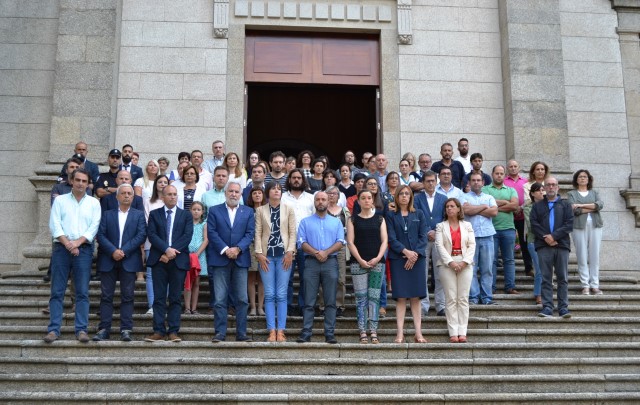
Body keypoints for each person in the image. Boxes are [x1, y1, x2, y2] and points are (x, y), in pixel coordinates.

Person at [44, 168, 101, 343]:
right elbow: (54, 224)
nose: (81, 184)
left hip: (83, 250)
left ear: (88, 183)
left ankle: (81, 329)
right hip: (61, 249)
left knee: (82, 292)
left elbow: (93, 227)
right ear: (71, 181)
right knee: (57, 291)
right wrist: (69, 244)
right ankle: (54, 329)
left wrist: (76, 243)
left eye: (84, 181)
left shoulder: (93, 203)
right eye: (78, 180)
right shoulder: (60, 201)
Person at [94, 183, 147, 342]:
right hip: (108, 259)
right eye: (123, 193)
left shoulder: (138, 215)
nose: (126, 196)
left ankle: (126, 329)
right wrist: (113, 251)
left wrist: (123, 250)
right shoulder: (107, 214)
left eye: (129, 193)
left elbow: (141, 235)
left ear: (133, 196)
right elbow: (100, 235)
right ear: (117, 196)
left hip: (129, 259)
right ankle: (104, 329)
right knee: (106, 296)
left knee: (128, 297)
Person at [145, 185, 194, 342]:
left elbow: (187, 236)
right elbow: (152, 235)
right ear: (163, 197)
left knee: (174, 298)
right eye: (169, 194)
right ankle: (159, 331)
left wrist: (171, 253)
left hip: (178, 261)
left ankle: (173, 331)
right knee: (159, 298)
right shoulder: (154, 214)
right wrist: (166, 249)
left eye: (175, 194)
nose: (173, 197)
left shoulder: (185, 215)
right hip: (159, 260)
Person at [208, 182, 255, 342]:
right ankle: (220, 333)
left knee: (242, 298)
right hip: (220, 258)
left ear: (240, 194)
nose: (233, 194)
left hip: (240, 259)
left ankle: (241, 333)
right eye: (231, 191)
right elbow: (212, 232)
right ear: (225, 193)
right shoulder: (214, 210)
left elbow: (250, 233)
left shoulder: (248, 212)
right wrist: (225, 249)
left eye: (236, 191)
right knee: (220, 299)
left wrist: (238, 249)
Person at [296, 191, 345, 344]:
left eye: (323, 199)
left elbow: (340, 241)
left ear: (328, 201)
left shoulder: (336, 222)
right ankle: (306, 332)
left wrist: (325, 252)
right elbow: (301, 243)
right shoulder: (305, 222)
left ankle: (329, 333)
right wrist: (317, 252)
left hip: (330, 262)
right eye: (318, 199)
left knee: (330, 300)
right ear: (314, 202)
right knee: (309, 300)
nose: (321, 202)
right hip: (311, 262)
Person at [255, 182, 296, 342]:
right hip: (266, 257)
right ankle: (272, 330)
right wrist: (258, 253)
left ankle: (281, 331)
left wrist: (290, 252)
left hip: (284, 256)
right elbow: (258, 233)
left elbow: (292, 232)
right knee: (270, 294)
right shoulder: (260, 210)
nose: (277, 191)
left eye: (279, 189)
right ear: (268, 192)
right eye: (274, 188)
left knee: (281, 294)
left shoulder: (289, 209)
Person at [386, 185, 428, 343]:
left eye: (407, 194)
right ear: (396, 196)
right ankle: (400, 333)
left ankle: (418, 333)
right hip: (398, 260)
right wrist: (406, 252)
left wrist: (414, 254)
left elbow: (423, 236)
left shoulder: (419, 213)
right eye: (401, 193)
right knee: (401, 297)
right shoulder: (391, 215)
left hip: (417, 259)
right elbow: (391, 238)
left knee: (416, 297)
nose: (404, 196)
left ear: (411, 196)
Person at [347, 189, 388, 344]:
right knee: (361, 298)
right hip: (358, 263)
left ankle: (373, 331)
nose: (366, 200)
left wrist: (378, 258)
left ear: (372, 200)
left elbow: (384, 240)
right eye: (363, 198)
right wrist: (360, 260)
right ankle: (363, 331)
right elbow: (350, 242)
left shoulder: (380, 219)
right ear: (358, 201)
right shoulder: (352, 220)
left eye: (369, 198)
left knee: (374, 298)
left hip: (377, 263)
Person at [530, 177, 574, 318]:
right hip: (543, 245)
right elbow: (534, 224)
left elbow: (569, 224)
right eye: (548, 185)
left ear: (558, 187)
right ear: (544, 188)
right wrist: (546, 238)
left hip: (561, 245)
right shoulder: (537, 206)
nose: (550, 187)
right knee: (546, 277)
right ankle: (547, 307)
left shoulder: (566, 205)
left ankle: (563, 308)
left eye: (553, 185)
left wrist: (554, 237)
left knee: (562, 278)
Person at [435, 198, 476, 343]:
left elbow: (472, 245)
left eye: (452, 206)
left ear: (459, 209)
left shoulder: (467, 225)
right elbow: (439, 246)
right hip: (447, 264)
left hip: (465, 263)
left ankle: (462, 332)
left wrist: (465, 262)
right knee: (451, 298)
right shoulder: (440, 226)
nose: (449, 209)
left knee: (463, 299)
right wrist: (451, 262)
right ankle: (453, 332)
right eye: (447, 207)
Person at [413, 170, 447, 316]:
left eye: (433, 180)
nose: (431, 183)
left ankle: (441, 305)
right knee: (422, 273)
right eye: (428, 181)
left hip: (440, 239)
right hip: (423, 239)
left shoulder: (443, 198)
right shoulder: (416, 199)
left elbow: (446, 217)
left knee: (440, 273)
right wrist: (427, 231)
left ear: (436, 181)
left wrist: (437, 231)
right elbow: (415, 217)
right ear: (423, 183)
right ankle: (423, 306)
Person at [281, 169, 315, 315]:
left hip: (305, 243)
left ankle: (303, 306)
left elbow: (315, 218)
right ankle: (287, 306)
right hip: (286, 243)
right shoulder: (282, 197)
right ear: (289, 180)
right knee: (286, 278)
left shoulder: (311, 198)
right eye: (293, 177)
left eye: (299, 178)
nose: (296, 180)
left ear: (303, 180)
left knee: (305, 277)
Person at [462, 172, 498, 305]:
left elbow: (494, 212)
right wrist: (483, 207)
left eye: (478, 180)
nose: (476, 182)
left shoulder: (489, 197)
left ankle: (487, 297)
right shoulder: (463, 196)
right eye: (473, 180)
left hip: (488, 236)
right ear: (469, 183)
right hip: (470, 238)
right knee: (471, 269)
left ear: (483, 183)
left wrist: (474, 209)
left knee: (487, 269)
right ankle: (474, 297)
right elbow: (466, 211)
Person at [483, 165, 519, 295]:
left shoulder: (511, 190)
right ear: (492, 174)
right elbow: (484, 205)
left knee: (509, 259)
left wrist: (495, 207)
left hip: (508, 229)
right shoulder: (485, 189)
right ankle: (490, 287)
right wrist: (505, 202)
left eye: (501, 173)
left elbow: (515, 205)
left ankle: (510, 286)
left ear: (504, 175)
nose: (499, 175)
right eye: (497, 173)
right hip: (490, 230)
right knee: (491, 260)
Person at [568, 169, 604, 295]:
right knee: (581, 255)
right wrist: (592, 207)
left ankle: (595, 285)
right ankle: (585, 285)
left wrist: (581, 206)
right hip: (578, 226)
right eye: (580, 177)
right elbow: (574, 211)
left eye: (585, 177)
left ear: (588, 179)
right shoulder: (571, 193)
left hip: (595, 225)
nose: (582, 178)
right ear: (576, 180)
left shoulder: (594, 192)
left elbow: (599, 205)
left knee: (595, 255)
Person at [143, 175, 169, 315]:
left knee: (168, 274)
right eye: (160, 182)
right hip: (151, 243)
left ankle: (163, 304)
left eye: (165, 182)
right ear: (155, 184)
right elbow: (148, 222)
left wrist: (166, 245)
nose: (163, 184)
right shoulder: (148, 202)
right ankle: (152, 305)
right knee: (151, 274)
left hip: (169, 246)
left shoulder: (171, 200)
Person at [505, 159, 533, 277]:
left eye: (515, 166)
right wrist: (512, 208)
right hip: (508, 216)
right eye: (510, 166)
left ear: (519, 168)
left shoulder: (526, 182)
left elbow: (529, 198)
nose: (513, 168)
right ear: (507, 168)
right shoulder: (504, 181)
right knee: (508, 244)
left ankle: (529, 268)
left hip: (523, 216)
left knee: (525, 243)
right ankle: (509, 272)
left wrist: (520, 208)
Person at [324, 185, 349, 317]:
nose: (332, 195)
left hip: (340, 246)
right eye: (329, 193)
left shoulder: (344, 211)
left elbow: (349, 226)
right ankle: (323, 305)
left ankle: (339, 305)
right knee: (324, 277)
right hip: (323, 246)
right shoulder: (321, 210)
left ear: (338, 196)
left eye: (334, 193)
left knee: (340, 277)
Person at [183, 201, 208, 315]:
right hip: (187, 255)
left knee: (196, 282)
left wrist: (197, 253)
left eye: (199, 209)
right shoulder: (186, 223)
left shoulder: (204, 224)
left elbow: (206, 240)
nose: (196, 212)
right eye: (194, 209)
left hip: (199, 256)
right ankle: (187, 308)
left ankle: (194, 308)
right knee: (188, 281)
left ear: (202, 212)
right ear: (190, 211)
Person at [246, 187, 266, 316]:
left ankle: (261, 307)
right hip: (250, 246)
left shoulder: (268, 210)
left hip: (265, 247)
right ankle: (253, 306)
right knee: (251, 277)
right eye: (254, 193)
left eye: (259, 193)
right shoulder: (246, 211)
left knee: (263, 278)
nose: (257, 195)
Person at [524, 182, 544, 305]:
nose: (541, 192)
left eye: (543, 190)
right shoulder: (528, 208)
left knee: (546, 269)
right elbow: (531, 225)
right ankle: (539, 294)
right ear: (532, 193)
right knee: (539, 269)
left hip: (548, 242)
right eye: (538, 190)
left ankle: (541, 292)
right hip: (534, 241)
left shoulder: (549, 206)